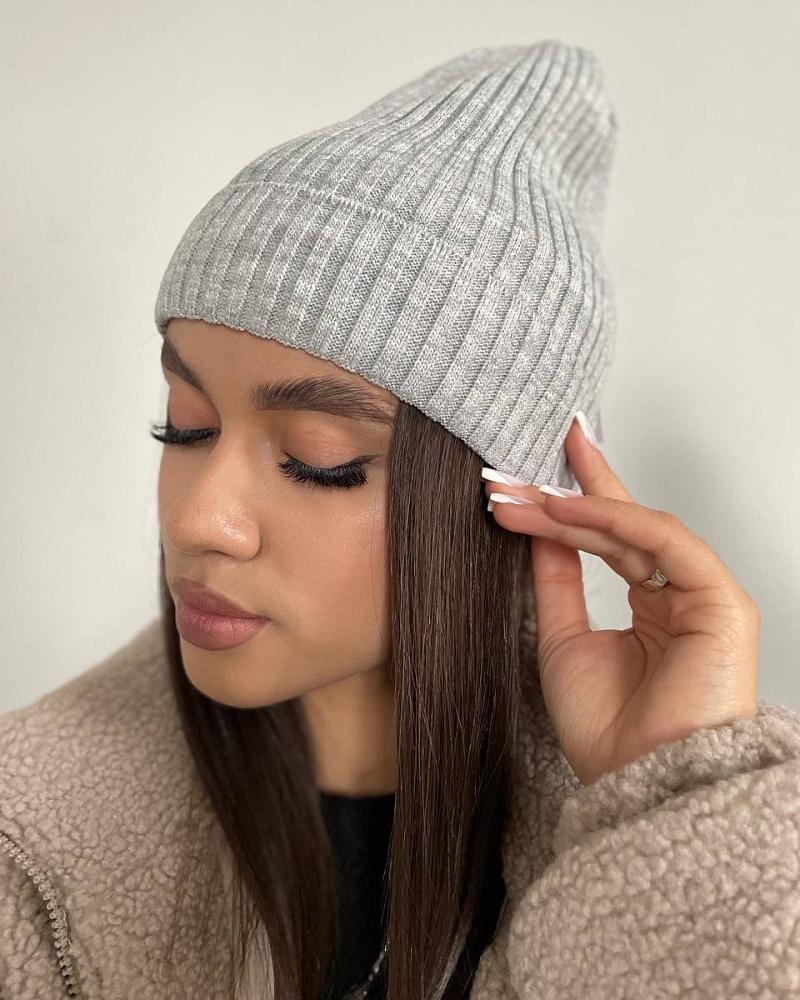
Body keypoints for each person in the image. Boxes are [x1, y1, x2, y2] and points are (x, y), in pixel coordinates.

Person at [2, 40, 799, 1000]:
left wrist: (669, 801)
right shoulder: (28, 845)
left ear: (509, 501)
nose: (200, 519)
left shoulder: (636, 830)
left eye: (317, 460)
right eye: (186, 425)